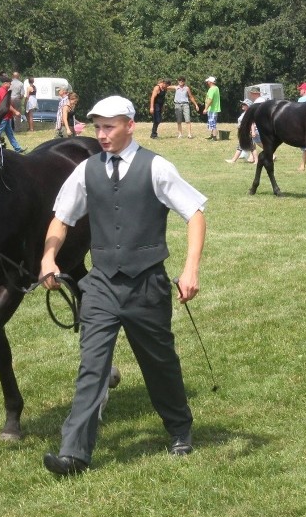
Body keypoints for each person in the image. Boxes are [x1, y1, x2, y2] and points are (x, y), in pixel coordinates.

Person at [39, 95, 207, 476]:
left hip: (147, 284)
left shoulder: (157, 167)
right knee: (92, 367)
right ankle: (74, 454)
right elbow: (61, 219)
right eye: (97, 127)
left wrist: (190, 269)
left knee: (159, 362)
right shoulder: (86, 171)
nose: (102, 134)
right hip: (101, 285)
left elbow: (195, 214)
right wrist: (48, 257)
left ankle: (180, 429)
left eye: (109, 126)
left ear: (130, 125)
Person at [0, 74, 24, 152]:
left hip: (7, 116)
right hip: (3, 116)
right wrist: (15, 111)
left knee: (10, 133)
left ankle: (17, 148)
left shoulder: (4, 91)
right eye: (9, 83)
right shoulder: (2, 91)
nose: (10, 84)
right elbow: (6, 104)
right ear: (5, 83)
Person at [226, 99, 256, 163]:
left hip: (247, 132)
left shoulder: (248, 114)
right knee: (250, 147)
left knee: (249, 147)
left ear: (248, 106)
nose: (242, 105)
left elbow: (251, 123)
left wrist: (253, 132)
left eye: (244, 104)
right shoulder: (245, 113)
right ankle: (256, 161)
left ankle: (233, 160)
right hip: (244, 132)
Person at [203, 76, 221, 141]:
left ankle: (214, 137)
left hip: (212, 109)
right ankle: (212, 135)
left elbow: (210, 99)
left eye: (208, 81)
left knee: (212, 123)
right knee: (212, 122)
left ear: (210, 82)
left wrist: (206, 108)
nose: (207, 82)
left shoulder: (212, 89)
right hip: (214, 108)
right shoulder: (216, 88)